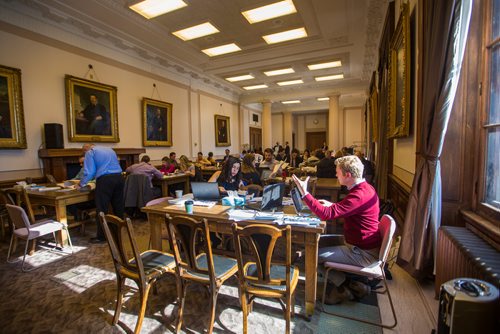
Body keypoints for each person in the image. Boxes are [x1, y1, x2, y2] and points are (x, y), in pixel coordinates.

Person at [292, 155, 380, 304]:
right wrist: (332, 205)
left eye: (337, 172)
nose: (335, 175)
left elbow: (325, 215)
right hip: (360, 244)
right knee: (317, 243)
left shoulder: (359, 195)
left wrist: (305, 193)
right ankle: (352, 285)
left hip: (362, 252)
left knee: (310, 254)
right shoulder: (365, 188)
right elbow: (346, 208)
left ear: (348, 175)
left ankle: (342, 289)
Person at [77, 144, 124, 244]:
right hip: (119, 178)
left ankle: (102, 237)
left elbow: (90, 172)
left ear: (85, 150)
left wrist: (81, 184)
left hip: (105, 180)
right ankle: (120, 231)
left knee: (102, 208)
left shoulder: (90, 153)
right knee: (118, 206)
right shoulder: (110, 149)